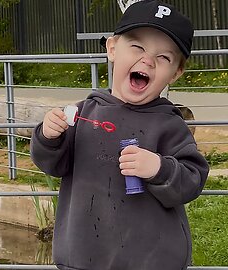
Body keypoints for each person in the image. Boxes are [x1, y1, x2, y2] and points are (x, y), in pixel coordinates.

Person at [30, 1, 209, 269]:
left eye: (164, 57)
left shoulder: (170, 124)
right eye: (137, 47)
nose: (147, 60)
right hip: (84, 257)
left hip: (153, 261)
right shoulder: (81, 114)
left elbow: (192, 180)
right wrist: (48, 136)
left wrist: (160, 168)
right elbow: (51, 163)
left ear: (176, 73)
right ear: (112, 48)